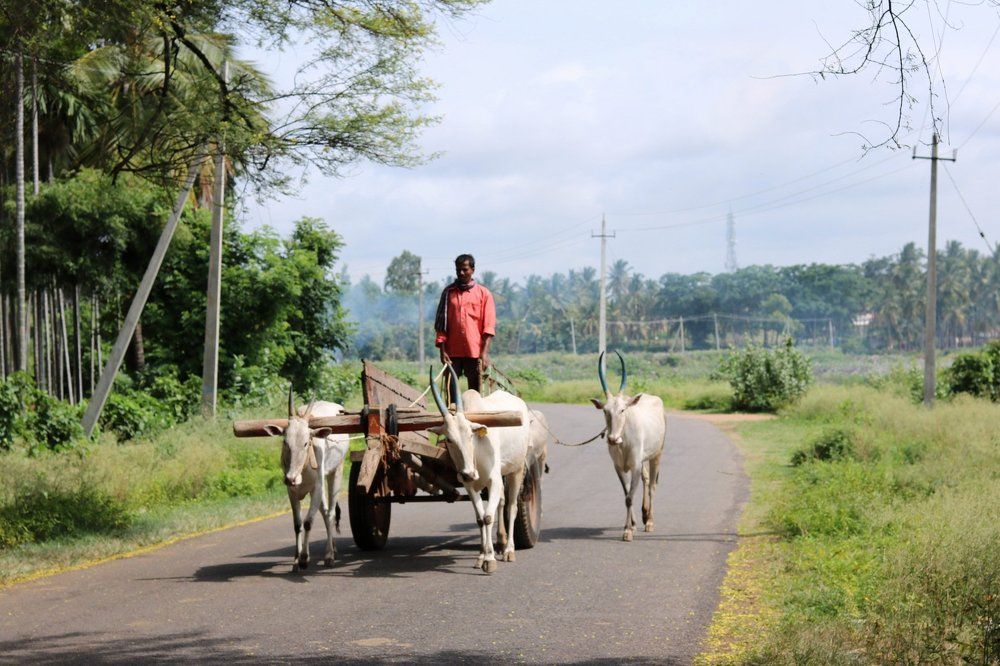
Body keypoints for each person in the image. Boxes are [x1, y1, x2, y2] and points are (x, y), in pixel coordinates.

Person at [434, 253, 496, 399]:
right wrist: (442, 351)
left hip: (474, 353)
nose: (461, 273)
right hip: (452, 353)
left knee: (474, 394)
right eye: (458, 270)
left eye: (465, 269)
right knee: (451, 395)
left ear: (472, 270)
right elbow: (441, 325)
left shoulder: (484, 294)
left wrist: (484, 353)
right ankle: (453, 420)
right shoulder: (448, 293)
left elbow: (488, 326)